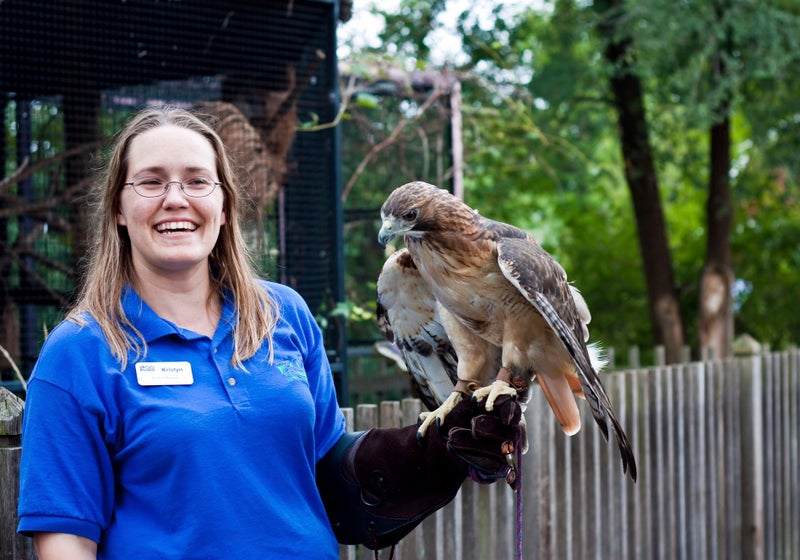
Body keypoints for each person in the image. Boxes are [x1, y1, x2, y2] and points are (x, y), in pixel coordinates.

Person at [17, 106, 522, 559]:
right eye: (150, 182)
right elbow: (65, 539)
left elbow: (328, 474)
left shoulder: (283, 314)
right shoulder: (79, 352)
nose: (176, 199)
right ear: (119, 210)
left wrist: (424, 454)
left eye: (197, 181)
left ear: (224, 205)